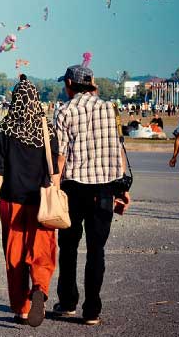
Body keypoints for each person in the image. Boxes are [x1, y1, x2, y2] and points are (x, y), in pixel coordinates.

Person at [53, 64, 131, 326]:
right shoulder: (110, 109)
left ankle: (67, 302)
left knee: (69, 246)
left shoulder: (64, 110)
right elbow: (118, 148)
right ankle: (92, 310)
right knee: (97, 249)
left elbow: (61, 154)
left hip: (74, 187)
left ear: (69, 84)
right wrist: (123, 189)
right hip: (105, 188)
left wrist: (53, 186)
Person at [0, 78, 59, 327]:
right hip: (42, 201)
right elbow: (54, 169)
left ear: (15, 99)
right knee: (42, 250)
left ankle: (22, 308)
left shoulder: (4, 128)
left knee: (15, 255)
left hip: (11, 200)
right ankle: (40, 287)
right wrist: (56, 194)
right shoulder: (46, 129)